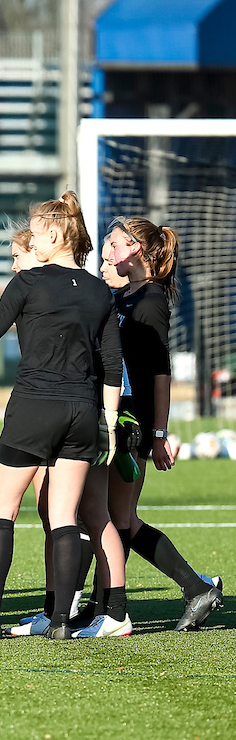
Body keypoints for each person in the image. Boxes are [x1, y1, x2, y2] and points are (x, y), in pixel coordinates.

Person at [0, 191, 122, 641]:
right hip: (84, 412)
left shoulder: (27, 282)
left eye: (37, 231)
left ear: (52, 233)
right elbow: (111, 365)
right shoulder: (100, 290)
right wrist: (109, 424)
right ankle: (62, 623)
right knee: (65, 517)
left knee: (1, 513)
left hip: (33, 407)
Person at [102, 216, 223, 631]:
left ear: (136, 248)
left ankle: (191, 588)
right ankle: (107, 605)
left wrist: (158, 434)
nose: (109, 249)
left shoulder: (150, 299)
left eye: (115, 242)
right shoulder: (125, 295)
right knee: (114, 516)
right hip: (120, 414)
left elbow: (159, 372)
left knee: (120, 518)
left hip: (135, 420)